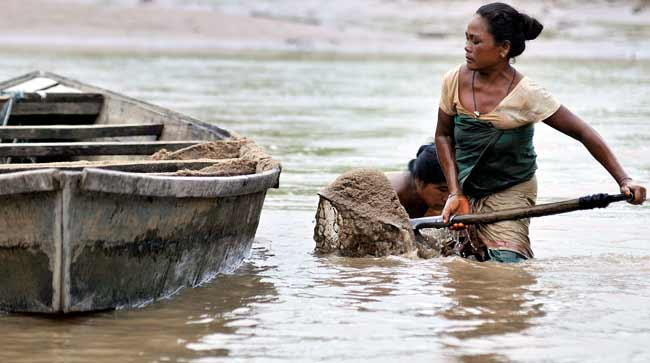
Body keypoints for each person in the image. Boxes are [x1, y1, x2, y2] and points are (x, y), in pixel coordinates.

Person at [434, 2, 646, 263]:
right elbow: (443, 135)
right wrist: (455, 192)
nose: (467, 47)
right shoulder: (453, 80)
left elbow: (583, 132)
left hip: (510, 189)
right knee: (458, 263)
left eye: (476, 41)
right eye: (466, 38)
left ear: (503, 48)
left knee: (507, 267)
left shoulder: (527, 94)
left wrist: (624, 180)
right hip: (465, 185)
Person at [388, 143, 449, 218]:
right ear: (419, 182)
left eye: (452, 192)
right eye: (442, 190)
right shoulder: (392, 194)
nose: (447, 199)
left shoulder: (455, 197)